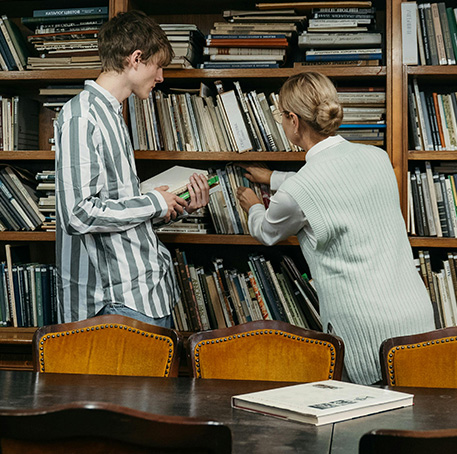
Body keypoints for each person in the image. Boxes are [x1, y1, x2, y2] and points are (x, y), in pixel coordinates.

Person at [236, 72, 435, 385]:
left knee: (367, 421)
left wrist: (253, 205)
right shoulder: (377, 157)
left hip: (367, 329)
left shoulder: (299, 190)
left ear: (292, 120)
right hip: (417, 315)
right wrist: (273, 177)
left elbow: (268, 232)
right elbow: (335, 185)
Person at [55, 10, 209, 327]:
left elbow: (117, 207)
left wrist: (171, 204)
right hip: (114, 302)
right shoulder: (82, 116)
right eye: (158, 66)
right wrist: (154, 202)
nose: (161, 77)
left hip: (141, 292)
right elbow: (78, 213)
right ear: (136, 59)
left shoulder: (112, 115)